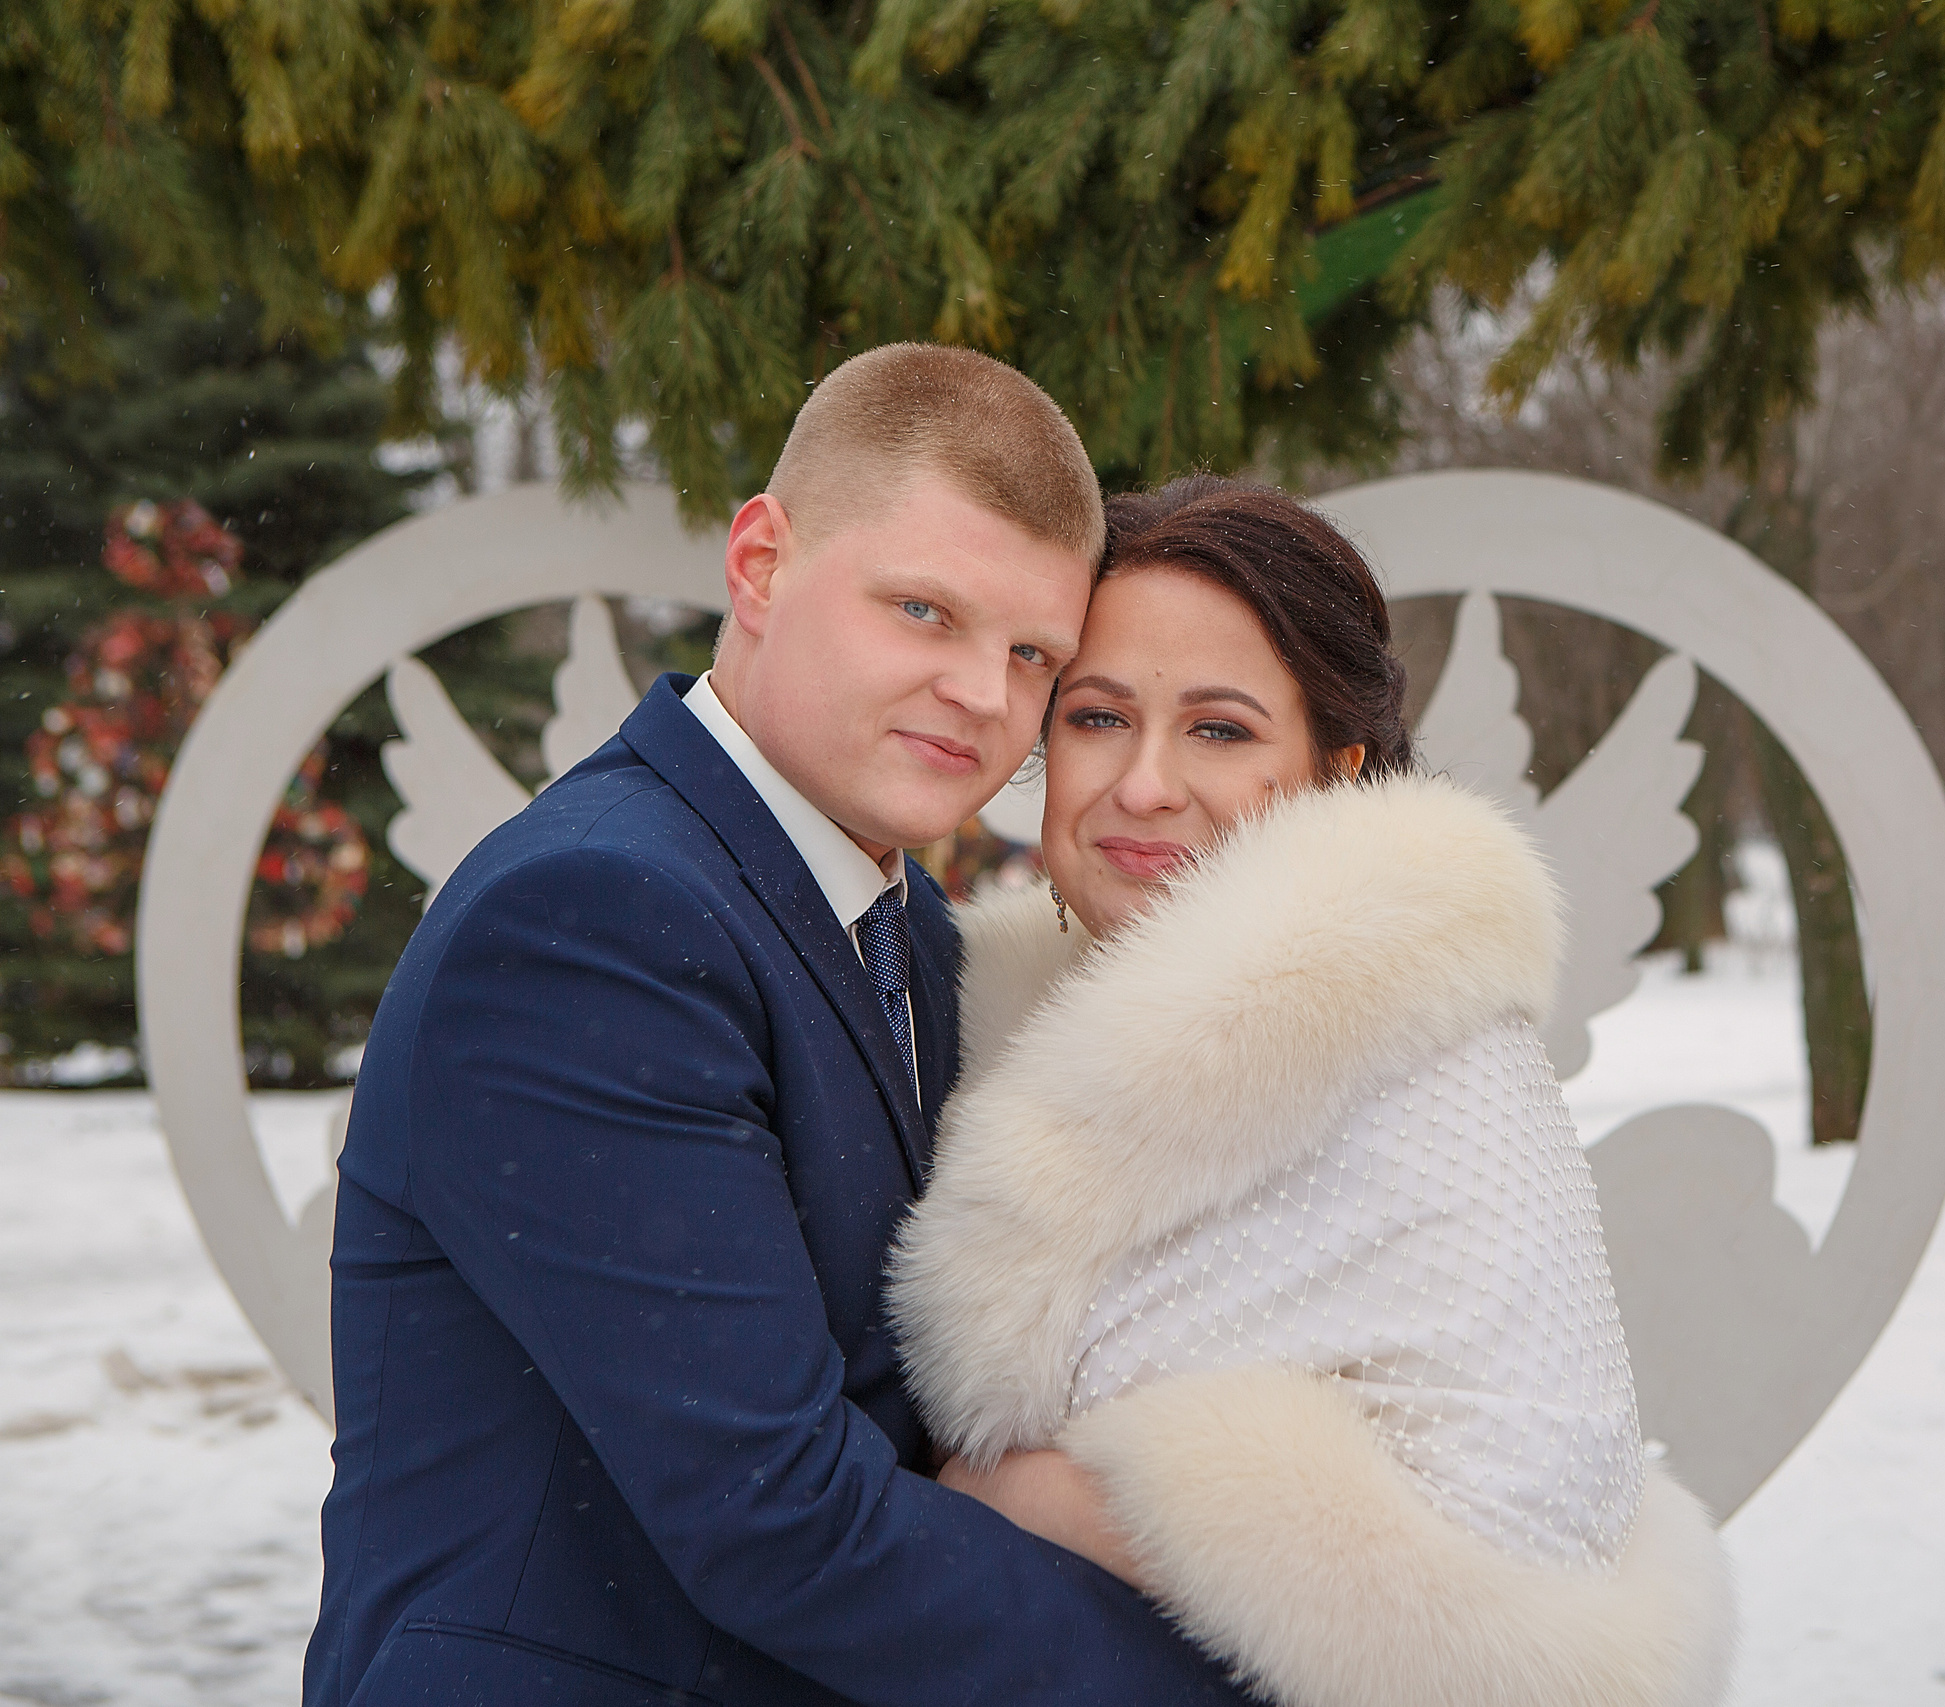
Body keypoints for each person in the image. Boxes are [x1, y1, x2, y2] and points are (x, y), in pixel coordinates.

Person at [306, 347, 1259, 1706]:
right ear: (759, 563)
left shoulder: (913, 937)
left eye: (1031, 653)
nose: (983, 692)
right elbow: (777, 1513)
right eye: (924, 610)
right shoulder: (594, 918)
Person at [890, 476, 1735, 1707]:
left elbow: (1524, 1535)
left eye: (1220, 731)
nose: (1143, 784)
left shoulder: (1415, 1041)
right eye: (1098, 716)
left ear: (1336, 770)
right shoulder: (988, 1014)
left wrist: (1037, 1500)